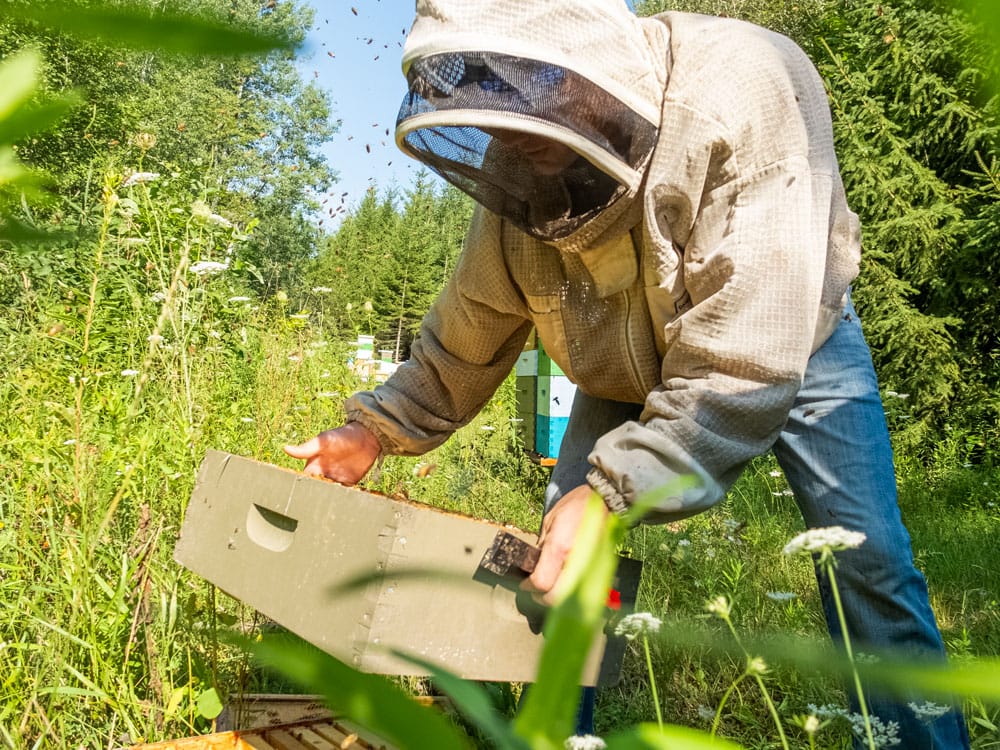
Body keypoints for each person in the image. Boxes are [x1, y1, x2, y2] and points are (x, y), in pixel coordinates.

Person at [285, 1, 969, 746]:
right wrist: (375, 430)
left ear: (583, 62)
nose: (514, 138)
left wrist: (612, 494)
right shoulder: (516, 173)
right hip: (616, 358)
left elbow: (744, 358)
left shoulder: (741, 89)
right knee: (558, 558)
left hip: (792, 333)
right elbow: (469, 329)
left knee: (867, 561)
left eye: (530, 94)